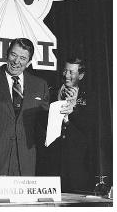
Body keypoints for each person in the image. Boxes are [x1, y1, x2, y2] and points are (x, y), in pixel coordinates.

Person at [0, 38, 49, 191]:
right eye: (13, 55)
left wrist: (62, 113)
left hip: (24, 166)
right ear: (6, 54)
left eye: (23, 58)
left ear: (29, 62)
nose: (16, 61)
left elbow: (44, 124)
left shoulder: (40, 85)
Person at [38, 57, 95, 193]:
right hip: (53, 163)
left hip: (77, 165)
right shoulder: (51, 92)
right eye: (65, 71)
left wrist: (73, 109)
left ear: (81, 75)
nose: (66, 75)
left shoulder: (89, 97)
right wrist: (57, 104)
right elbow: (41, 124)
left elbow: (90, 128)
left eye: (71, 72)